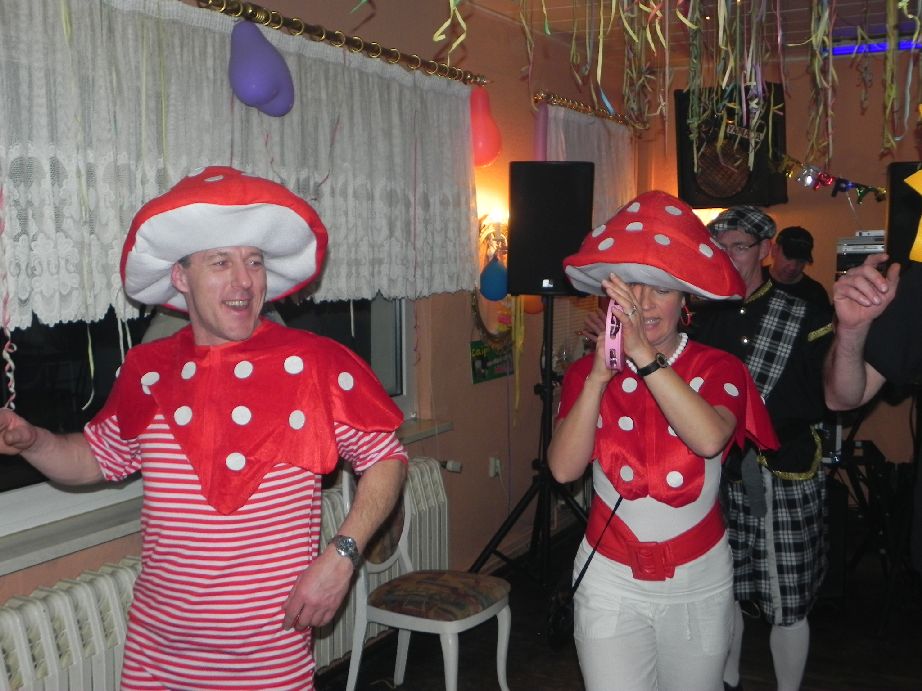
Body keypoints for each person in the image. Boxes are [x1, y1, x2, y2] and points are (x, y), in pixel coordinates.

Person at [0, 166, 408, 690]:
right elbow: (94, 459)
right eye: (221, 262)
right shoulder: (147, 370)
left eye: (254, 261)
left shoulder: (315, 364)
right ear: (180, 277)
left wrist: (342, 557)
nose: (244, 281)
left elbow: (387, 459)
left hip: (269, 659)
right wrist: (34, 442)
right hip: (157, 654)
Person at [549, 191, 777, 691]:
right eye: (630, 287)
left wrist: (644, 356)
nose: (644, 303)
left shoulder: (719, 367)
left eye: (661, 289)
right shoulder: (587, 374)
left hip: (698, 582)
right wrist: (597, 378)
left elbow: (710, 439)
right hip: (609, 577)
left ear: (684, 299)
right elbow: (564, 469)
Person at [696, 206, 834, 691]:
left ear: (765, 249)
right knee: (725, 589)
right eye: (721, 247)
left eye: (739, 246)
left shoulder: (806, 313)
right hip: (723, 470)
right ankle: (727, 682)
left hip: (787, 467)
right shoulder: (702, 316)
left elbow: (831, 394)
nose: (729, 255)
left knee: (788, 597)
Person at [765, 226, 831, 308]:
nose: (793, 267)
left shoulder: (816, 293)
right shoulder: (756, 278)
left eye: (801, 261)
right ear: (774, 250)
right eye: (788, 258)